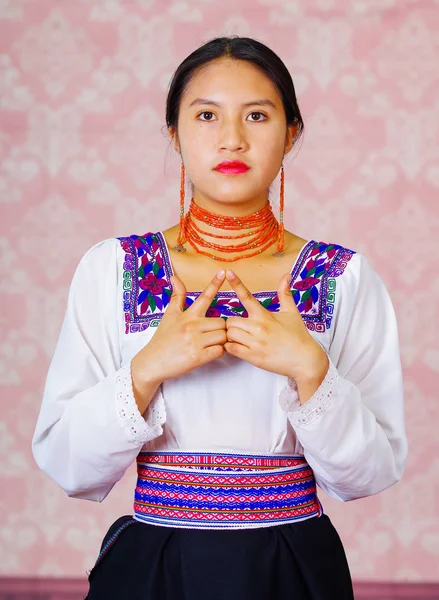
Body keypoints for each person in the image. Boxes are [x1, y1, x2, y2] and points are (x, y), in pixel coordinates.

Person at [31, 36, 407, 600]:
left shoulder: (342, 275)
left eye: (257, 115)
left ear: (292, 133)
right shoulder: (113, 267)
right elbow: (69, 465)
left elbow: (369, 474)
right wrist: (147, 370)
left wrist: (311, 370)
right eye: (206, 115)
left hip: (294, 565)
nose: (232, 138)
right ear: (174, 134)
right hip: (152, 566)